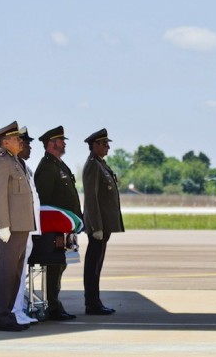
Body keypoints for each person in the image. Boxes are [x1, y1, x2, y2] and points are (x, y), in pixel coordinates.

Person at [0, 122, 36, 332]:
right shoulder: (0, 162)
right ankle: (1, 317)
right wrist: (2, 225)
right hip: (10, 228)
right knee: (7, 272)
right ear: (5, 142)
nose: (20, 142)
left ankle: (8, 314)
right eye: (16, 139)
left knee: (15, 273)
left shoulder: (15, 161)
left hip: (21, 226)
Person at [34, 125, 82, 321]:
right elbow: (44, 201)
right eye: (61, 141)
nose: (64, 144)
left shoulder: (59, 165)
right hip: (55, 228)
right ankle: (53, 305)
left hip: (67, 227)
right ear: (51, 143)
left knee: (64, 263)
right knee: (55, 264)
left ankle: (55, 302)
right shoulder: (46, 167)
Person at [81, 128, 124, 315]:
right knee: (93, 265)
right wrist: (96, 226)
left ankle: (95, 301)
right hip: (98, 225)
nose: (108, 147)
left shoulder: (100, 164)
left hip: (103, 224)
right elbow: (91, 198)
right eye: (105, 144)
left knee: (97, 264)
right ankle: (92, 303)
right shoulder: (93, 165)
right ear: (95, 145)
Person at [11, 127, 40, 325]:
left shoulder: (24, 167)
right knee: (14, 272)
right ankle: (13, 309)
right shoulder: (10, 165)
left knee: (21, 272)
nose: (29, 147)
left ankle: (18, 308)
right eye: (26, 143)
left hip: (28, 226)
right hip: (17, 227)